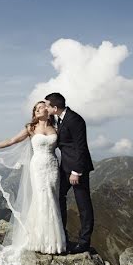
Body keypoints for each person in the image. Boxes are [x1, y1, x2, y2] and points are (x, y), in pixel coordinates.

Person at [0, 101, 66, 265]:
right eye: (36, 109)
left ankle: (53, 242)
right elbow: (12, 140)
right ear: (35, 113)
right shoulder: (31, 128)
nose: (39, 110)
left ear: (47, 110)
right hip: (37, 167)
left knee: (52, 199)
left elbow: (66, 146)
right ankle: (38, 240)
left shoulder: (56, 127)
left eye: (42, 107)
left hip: (53, 166)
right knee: (41, 198)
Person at [43, 93, 95, 254]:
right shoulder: (58, 119)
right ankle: (62, 233)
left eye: (47, 105)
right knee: (58, 196)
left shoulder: (75, 119)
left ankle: (84, 243)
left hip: (77, 170)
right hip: (65, 167)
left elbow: (81, 147)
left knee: (83, 205)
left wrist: (77, 172)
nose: (45, 108)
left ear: (55, 107)